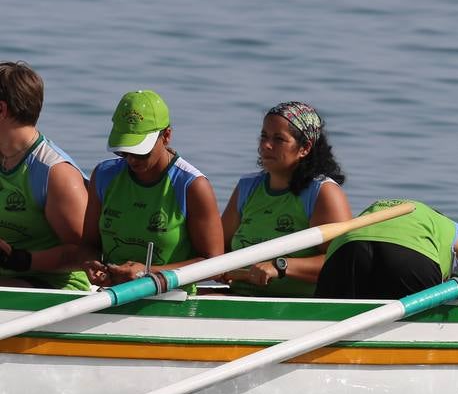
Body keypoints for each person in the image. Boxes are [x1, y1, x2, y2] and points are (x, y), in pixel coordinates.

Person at [78, 90, 223, 286]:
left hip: (171, 298)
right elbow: (88, 246)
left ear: (167, 136)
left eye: (140, 152)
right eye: (124, 151)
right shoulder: (104, 175)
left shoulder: (193, 186)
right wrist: (91, 263)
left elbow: (214, 265)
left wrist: (148, 273)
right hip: (110, 294)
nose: (131, 159)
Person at [219, 102, 352, 296]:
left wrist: (281, 266)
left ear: (304, 148)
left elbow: (341, 265)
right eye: (264, 136)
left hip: (295, 307)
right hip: (239, 296)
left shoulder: (323, 193)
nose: (266, 145)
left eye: (279, 139)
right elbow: (218, 248)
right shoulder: (247, 187)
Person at [315, 198, 458, 300]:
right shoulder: (450, 230)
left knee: (327, 318)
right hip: (409, 254)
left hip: (347, 246)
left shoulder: (394, 208)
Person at [0, 61, 90, 290]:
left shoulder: (56, 174)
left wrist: (17, 259)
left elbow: (86, 253)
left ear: (1, 110)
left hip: (53, 288)